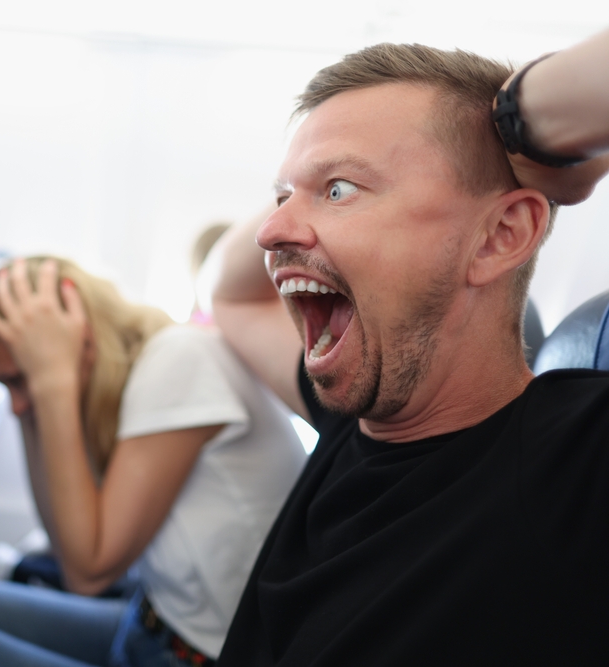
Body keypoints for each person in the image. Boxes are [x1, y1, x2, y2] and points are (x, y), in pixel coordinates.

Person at [207, 33, 609, 666]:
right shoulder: (353, 413)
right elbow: (228, 293)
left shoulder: (576, 462)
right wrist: (315, 175)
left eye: (340, 190)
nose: (270, 231)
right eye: (283, 198)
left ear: (500, 236)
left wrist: (529, 115)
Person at [0, 256, 308, 667]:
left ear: (82, 340)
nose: (16, 405)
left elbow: (87, 572)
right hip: (149, 623)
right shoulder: (146, 372)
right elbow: (62, 541)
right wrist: (34, 413)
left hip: (191, 655)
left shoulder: (180, 359)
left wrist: (53, 383)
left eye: (19, 379)